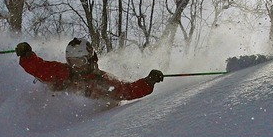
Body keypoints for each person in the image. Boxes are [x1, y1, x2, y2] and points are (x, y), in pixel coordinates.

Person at [15, 38, 164, 101]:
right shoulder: (63, 71)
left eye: (80, 61)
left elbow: (127, 90)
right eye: (71, 62)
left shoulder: (103, 80)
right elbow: (40, 68)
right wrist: (27, 56)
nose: (75, 66)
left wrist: (147, 82)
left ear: (90, 59)